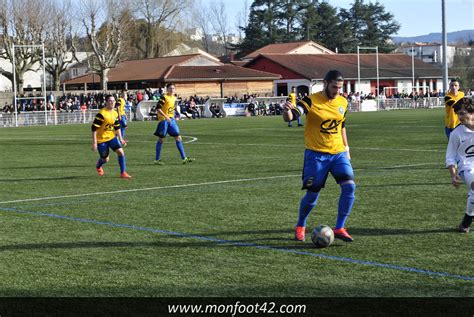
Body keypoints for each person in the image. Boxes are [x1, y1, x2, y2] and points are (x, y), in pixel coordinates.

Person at [282, 70, 355, 242]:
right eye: (334, 87)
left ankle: (339, 227)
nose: (337, 90)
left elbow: (341, 125)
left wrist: (346, 147)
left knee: (350, 187)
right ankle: (301, 225)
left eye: (339, 87)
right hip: (316, 155)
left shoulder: (343, 102)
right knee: (312, 194)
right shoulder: (310, 100)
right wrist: (287, 112)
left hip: (338, 153)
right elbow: (292, 116)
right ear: (325, 83)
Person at [446, 97, 474, 233]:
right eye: (458, 114)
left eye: (463, 113)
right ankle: (466, 223)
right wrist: (453, 175)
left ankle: (464, 224)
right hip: (467, 167)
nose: (460, 117)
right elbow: (450, 156)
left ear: (472, 112)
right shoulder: (456, 133)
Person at [91, 94, 131, 179]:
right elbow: (94, 128)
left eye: (113, 101)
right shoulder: (102, 114)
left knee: (121, 152)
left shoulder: (115, 113)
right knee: (105, 159)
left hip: (112, 137)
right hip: (101, 140)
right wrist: (94, 142)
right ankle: (98, 165)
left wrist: (121, 139)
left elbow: (117, 127)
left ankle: (123, 173)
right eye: (110, 101)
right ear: (106, 102)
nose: (112, 102)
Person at [153, 83, 194, 165]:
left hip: (171, 120)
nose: (172, 90)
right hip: (164, 120)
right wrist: (166, 116)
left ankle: (184, 158)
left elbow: (172, 108)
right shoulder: (164, 97)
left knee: (178, 137)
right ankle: (157, 160)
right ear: (167, 89)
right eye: (170, 88)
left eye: (173, 88)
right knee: (161, 139)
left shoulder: (174, 98)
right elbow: (158, 108)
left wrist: (179, 114)